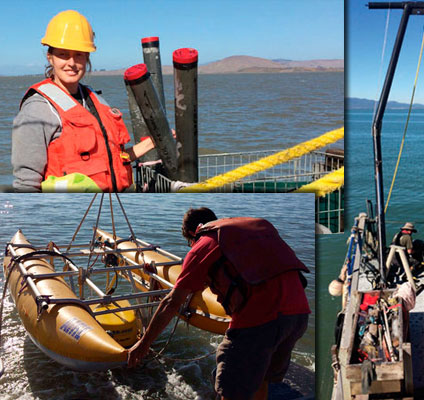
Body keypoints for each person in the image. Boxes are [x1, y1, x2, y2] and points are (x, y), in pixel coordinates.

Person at [127, 208, 311, 400]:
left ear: (192, 234)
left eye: (189, 243)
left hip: (260, 323)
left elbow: (172, 303)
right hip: (298, 315)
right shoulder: (243, 231)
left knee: (230, 390)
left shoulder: (204, 244)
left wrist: (143, 343)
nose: (191, 246)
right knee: (259, 381)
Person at [12, 10, 155, 192]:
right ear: (50, 57)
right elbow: (26, 185)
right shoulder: (37, 109)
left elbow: (112, 159)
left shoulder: (95, 100)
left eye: (79, 54)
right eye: (63, 54)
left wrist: (153, 143)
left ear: (87, 57)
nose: (71, 63)